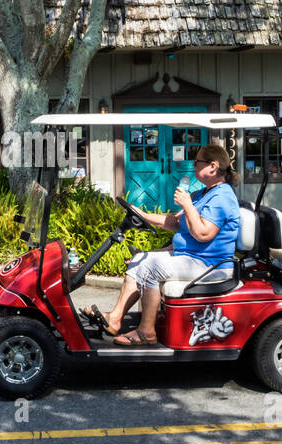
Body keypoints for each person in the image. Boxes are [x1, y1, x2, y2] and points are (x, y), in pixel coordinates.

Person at [92, 144, 243, 346]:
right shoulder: (203, 194)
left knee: (151, 268)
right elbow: (174, 222)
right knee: (139, 259)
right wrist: (141, 215)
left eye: (197, 161)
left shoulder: (222, 197)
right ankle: (115, 318)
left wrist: (187, 204)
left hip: (209, 264)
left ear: (213, 167)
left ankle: (146, 332)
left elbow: (203, 234)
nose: (193, 165)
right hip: (192, 257)